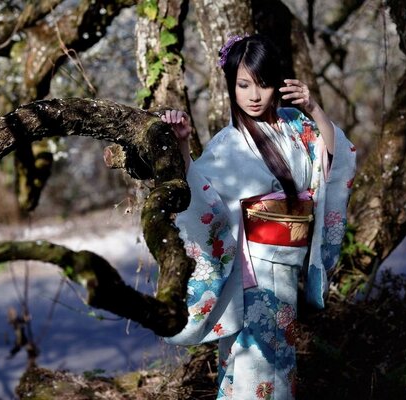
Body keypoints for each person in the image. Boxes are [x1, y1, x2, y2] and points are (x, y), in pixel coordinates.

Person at [160, 34, 356, 399]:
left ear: (277, 83)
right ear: (231, 86)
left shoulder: (298, 126)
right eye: (243, 85)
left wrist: (313, 107)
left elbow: (336, 157)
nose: (254, 95)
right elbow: (199, 197)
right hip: (251, 277)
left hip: (286, 270)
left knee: (274, 369)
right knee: (253, 368)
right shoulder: (227, 144)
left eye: (263, 84)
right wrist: (184, 144)